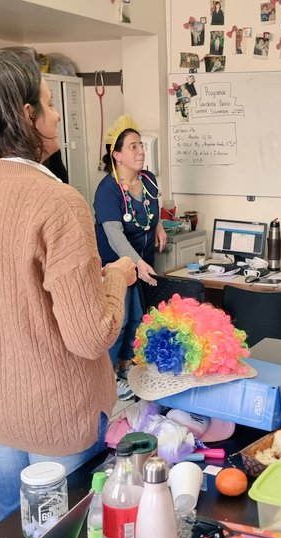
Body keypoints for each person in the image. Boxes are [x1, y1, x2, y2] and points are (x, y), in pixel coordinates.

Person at [0, 50, 136, 522]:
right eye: (49, 103)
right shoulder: (57, 201)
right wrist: (115, 277)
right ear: (28, 115)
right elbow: (91, 336)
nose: (57, 115)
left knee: (12, 531)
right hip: (57, 410)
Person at [94, 115, 166, 402]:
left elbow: (152, 209)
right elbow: (114, 236)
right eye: (133, 146)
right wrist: (136, 262)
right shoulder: (108, 189)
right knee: (118, 321)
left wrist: (158, 226)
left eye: (141, 145)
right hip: (117, 266)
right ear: (118, 155)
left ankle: (125, 369)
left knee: (138, 317)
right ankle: (105, 379)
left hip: (141, 263)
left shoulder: (148, 180)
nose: (140, 151)